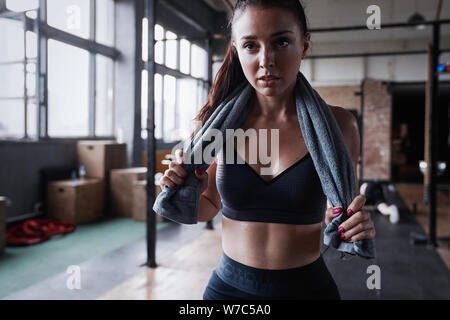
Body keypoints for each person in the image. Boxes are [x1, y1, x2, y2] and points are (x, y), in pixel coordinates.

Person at [158, 0, 376, 300]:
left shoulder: (340, 125)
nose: (266, 60)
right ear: (236, 49)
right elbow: (209, 205)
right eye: (251, 45)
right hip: (228, 291)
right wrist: (181, 188)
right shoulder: (217, 127)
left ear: (304, 44)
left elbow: (337, 211)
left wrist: (353, 224)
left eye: (281, 42)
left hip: (308, 290)